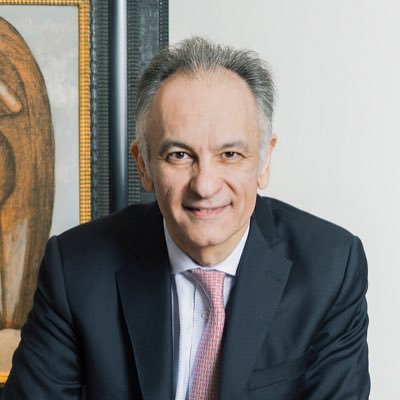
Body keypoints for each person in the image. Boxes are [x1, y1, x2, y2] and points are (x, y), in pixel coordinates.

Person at [2, 37, 370, 399]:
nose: (205, 185)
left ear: (264, 160)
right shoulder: (74, 269)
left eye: (229, 154)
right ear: (144, 165)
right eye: (179, 155)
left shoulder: (331, 269)